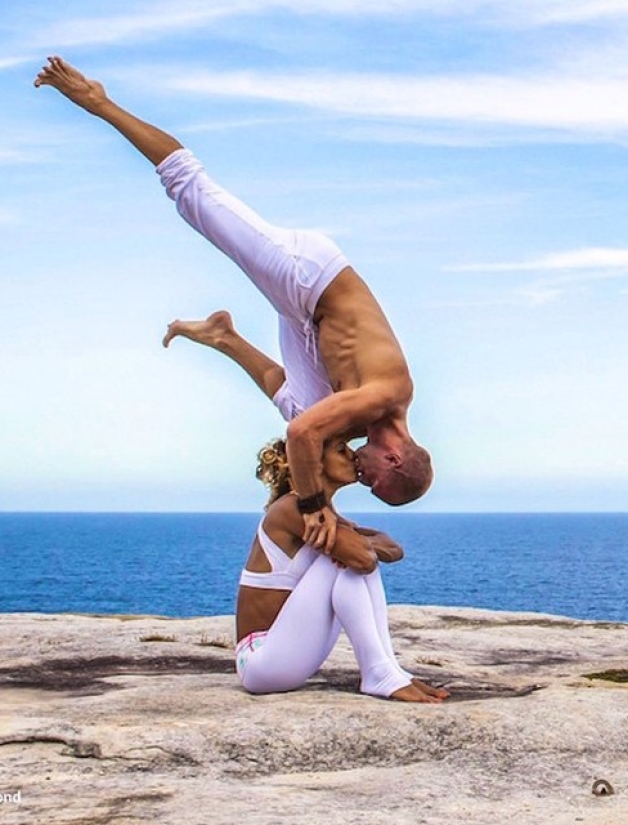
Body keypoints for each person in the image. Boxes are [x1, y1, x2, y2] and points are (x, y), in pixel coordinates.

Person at [34, 57, 434, 554]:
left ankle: (225, 336)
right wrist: (315, 509)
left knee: (303, 409)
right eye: (375, 483)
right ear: (394, 458)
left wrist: (346, 527)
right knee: (193, 194)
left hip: (307, 322)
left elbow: (301, 421)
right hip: (310, 277)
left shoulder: (361, 422)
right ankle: (98, 101)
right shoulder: (388, 393)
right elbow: (301, 435)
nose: (363, 481)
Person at [236, 435, 448, 703]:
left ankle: (388, 668)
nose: (353, 454)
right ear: (314, 463)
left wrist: (360, 545)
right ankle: (379, 673)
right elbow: (364, 558)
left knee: (346, 558)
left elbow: (393, 549)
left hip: (289, 657)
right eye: (341, 450)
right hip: (259, 661)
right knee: (341, 562)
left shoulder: (326, 516)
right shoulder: (292, 507)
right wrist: (359, 547)